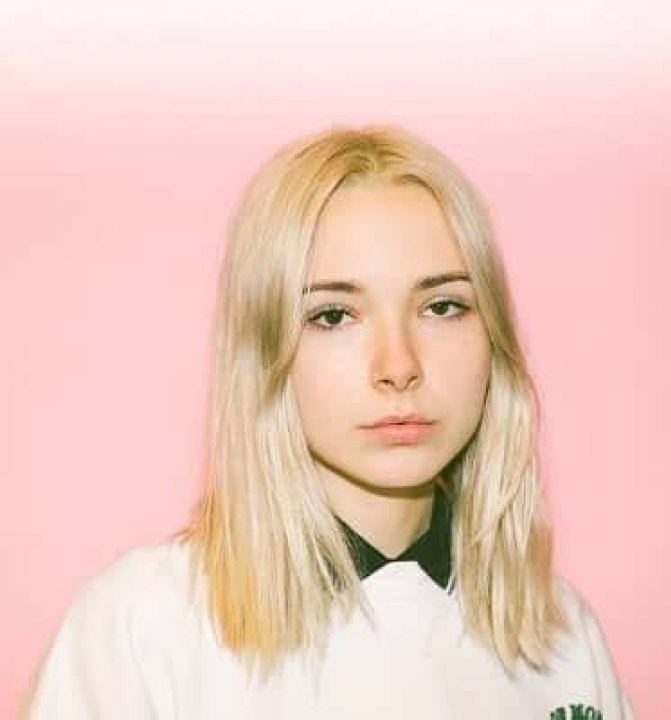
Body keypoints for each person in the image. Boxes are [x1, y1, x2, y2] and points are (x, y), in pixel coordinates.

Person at [22, 124, 635, 718]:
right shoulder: (142, 628)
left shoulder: (565, 636)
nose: (399, 365)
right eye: (334, 316)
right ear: (265, 349)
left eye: (442, 306)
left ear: (494, 338)